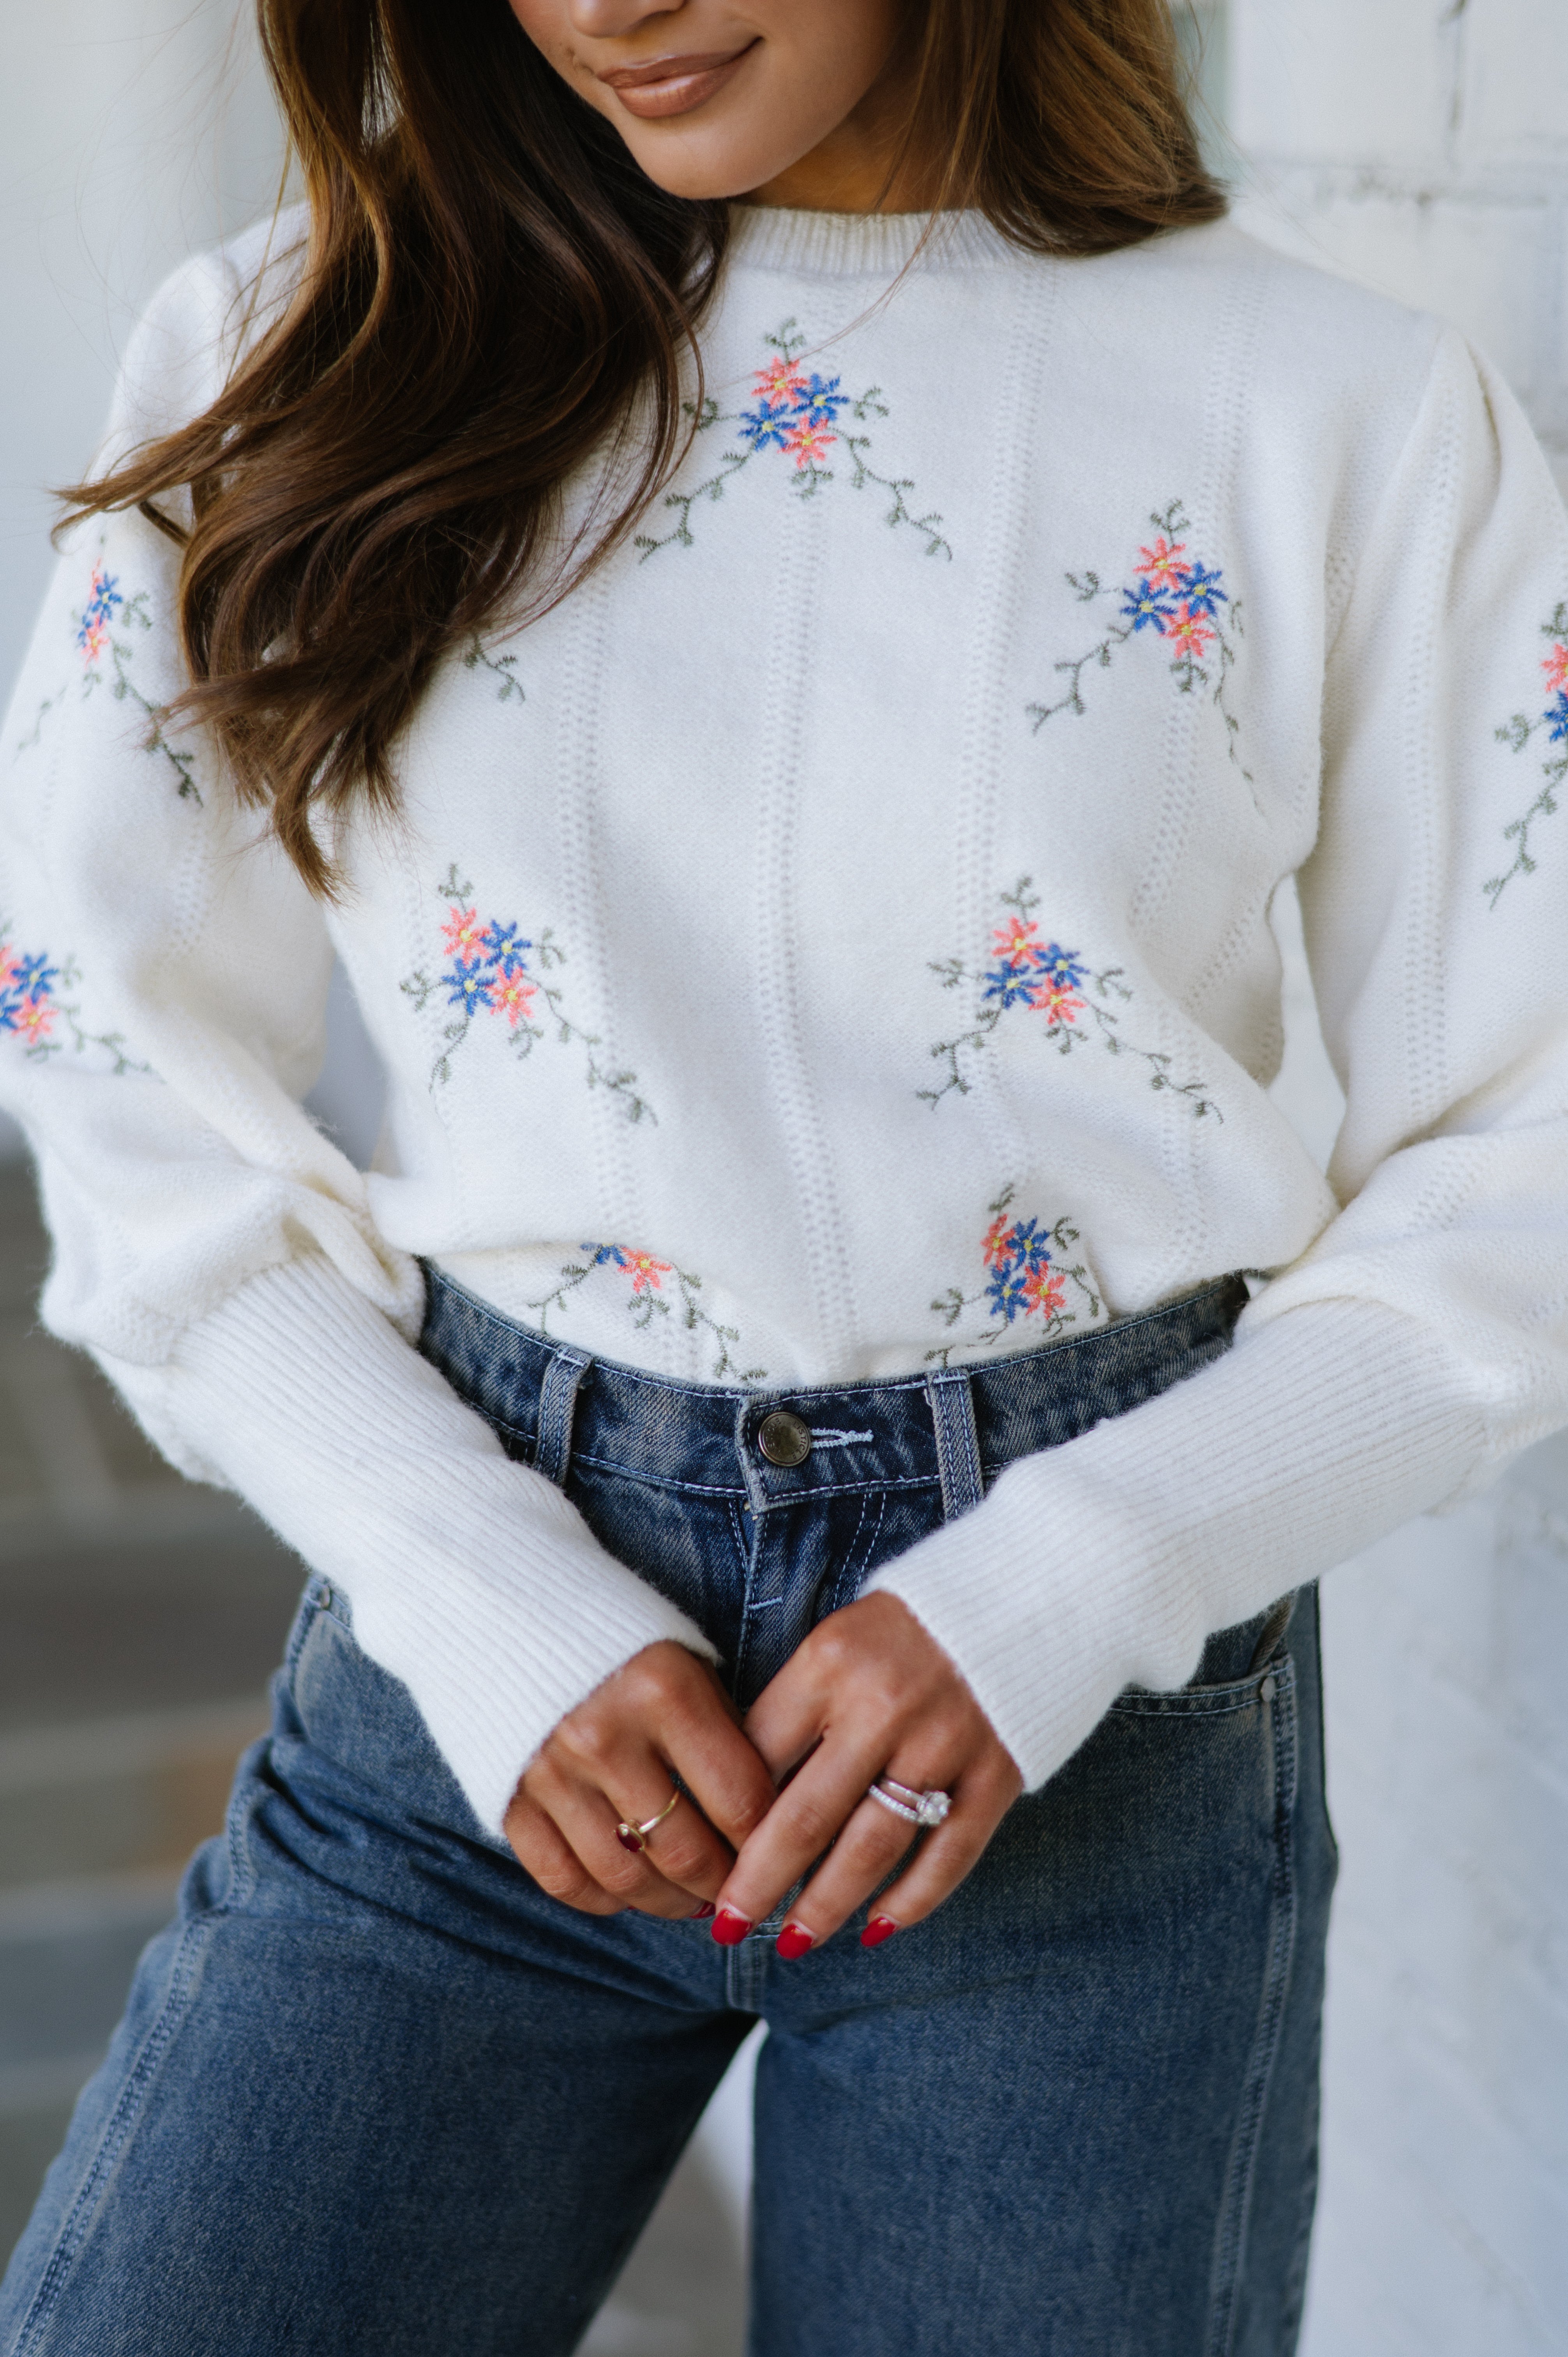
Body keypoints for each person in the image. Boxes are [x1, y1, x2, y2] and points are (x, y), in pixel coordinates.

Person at [2, 0, 1566, 2348]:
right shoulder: (299, 342)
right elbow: (117, 1063)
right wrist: (482, 1597)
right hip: (477, 1666)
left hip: (1087, 1755)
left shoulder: (1330, 408)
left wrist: (1069, 1585)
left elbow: (1528, 1135)